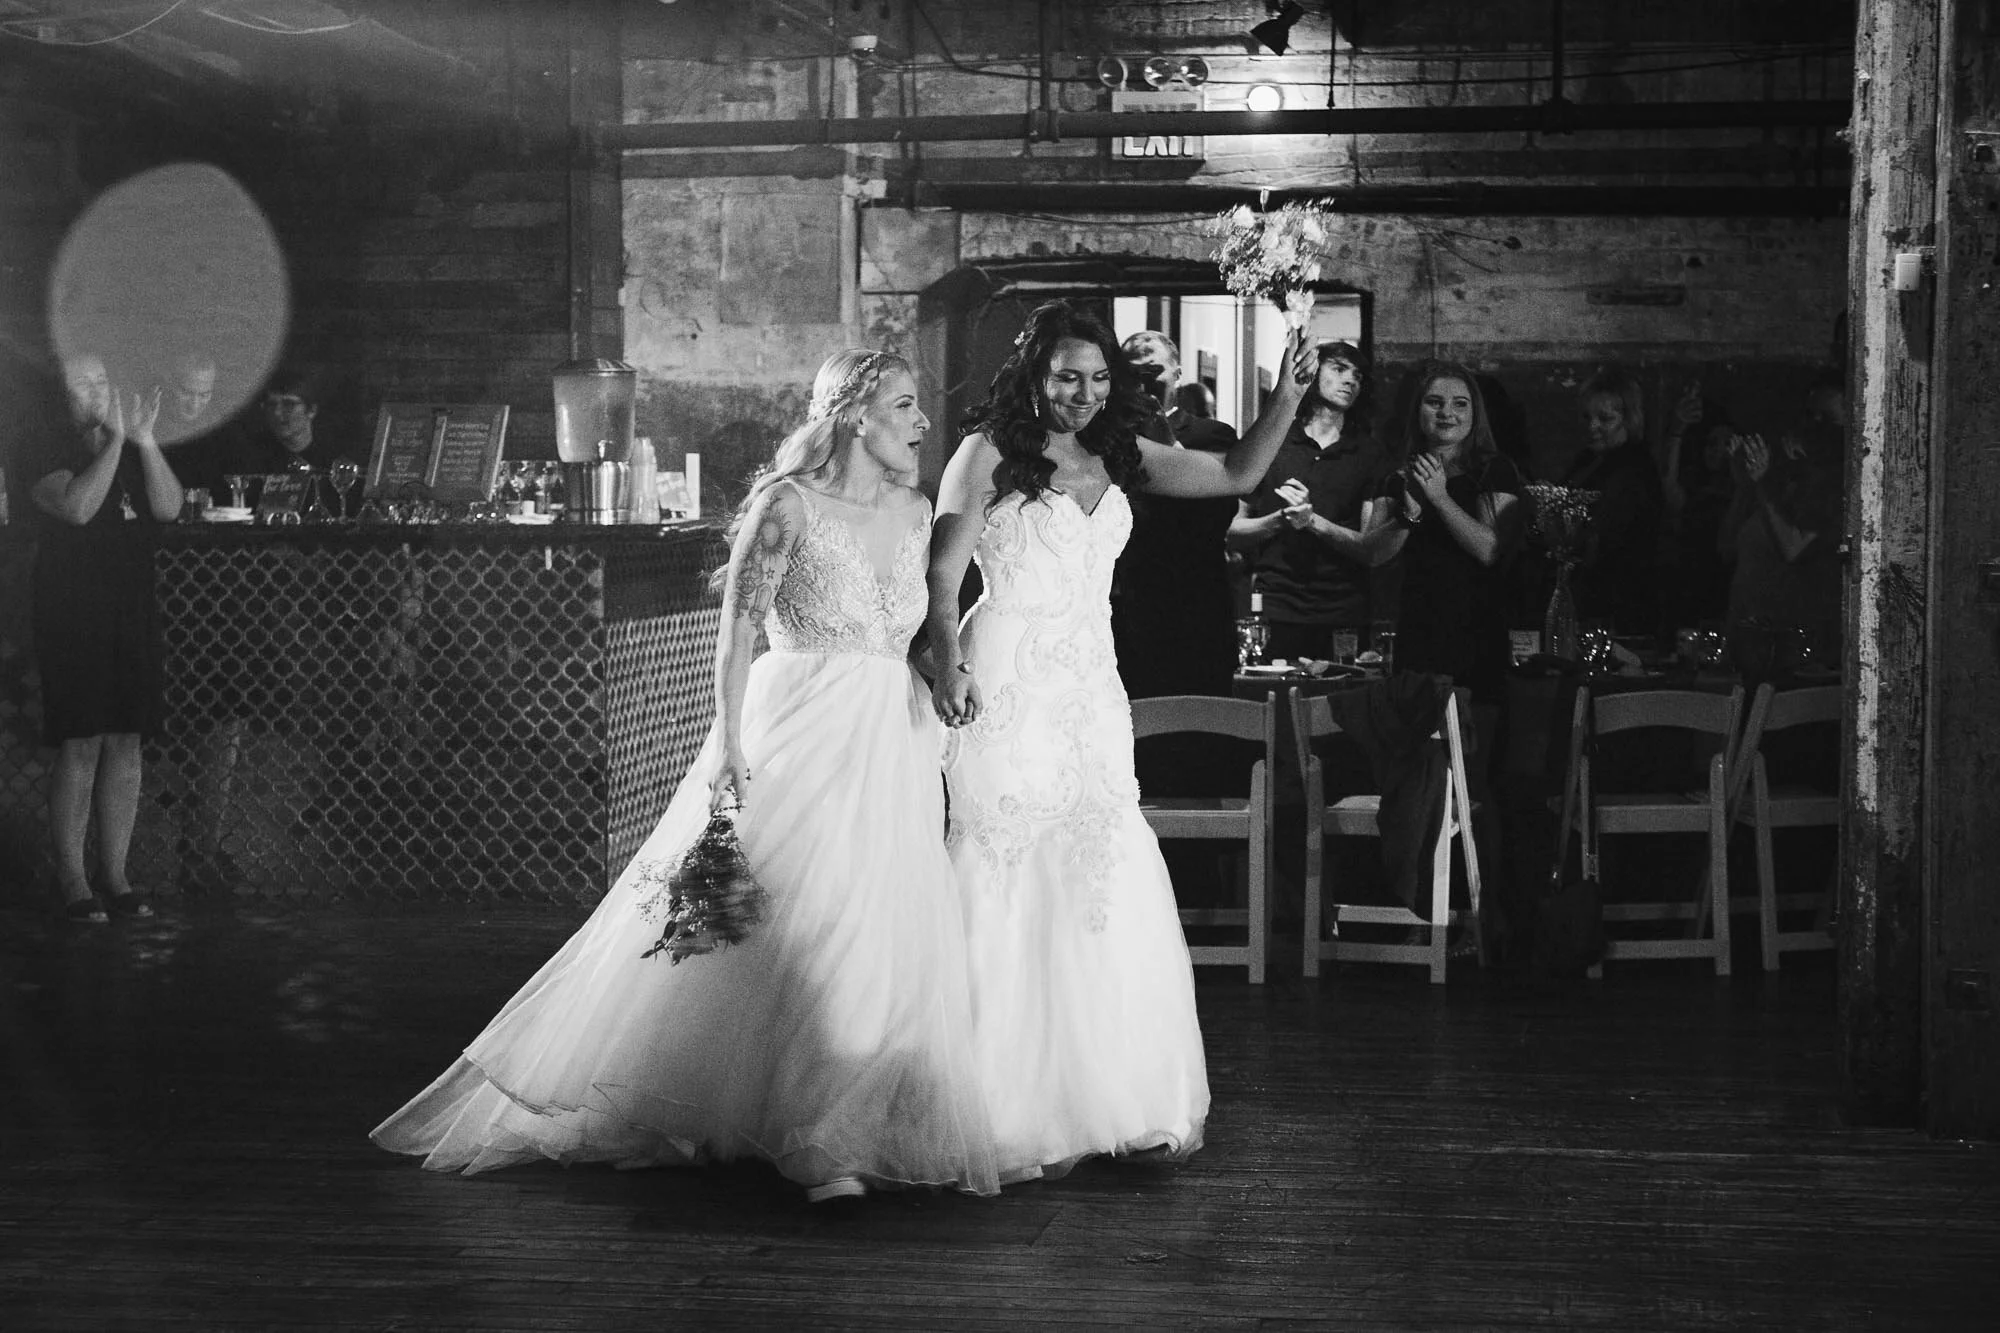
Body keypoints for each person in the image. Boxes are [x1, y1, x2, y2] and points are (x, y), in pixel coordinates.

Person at [372, 349, 1000, 1205]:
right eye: (903, 404)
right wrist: (727, 739)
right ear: (854, 415)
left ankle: (838, 1125)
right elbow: (737, 628)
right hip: (800, 727)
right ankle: (758, 1124)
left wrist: (950, 672)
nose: (922, 421)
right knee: (791, 918)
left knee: (869, 922)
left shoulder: (917, 509)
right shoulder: (787, 504)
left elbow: (911, 631)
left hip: (890, 734)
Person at [924, 300, 1314, 1180]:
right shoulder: (986, 453)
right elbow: (943, 577)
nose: (1084, 394)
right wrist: (949, 665)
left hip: (1093, 690)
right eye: (1068, 377)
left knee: (1099, 864)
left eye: (1099, 379)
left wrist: (1285, 398)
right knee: (1008, 862)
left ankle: (1104, 1096)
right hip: (1008, 681)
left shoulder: (1121, 453)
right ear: (1033, 373)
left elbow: (1237, 471)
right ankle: (1000, 1103)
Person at [24, 352, 185, 922]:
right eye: (83, 384)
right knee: (82, 740)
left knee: (126, 739)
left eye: (102, 381)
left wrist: (145, 439)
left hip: (130, 608)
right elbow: (78, 508)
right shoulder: (40, 446)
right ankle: (72, 879)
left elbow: (168, 506)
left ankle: (115, 874)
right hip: (72, 611)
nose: (96, 392)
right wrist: (115, 443)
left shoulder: (133, 449)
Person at [1361, 362, 1526, 741]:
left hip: (1476, 631)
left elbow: (1488, 549)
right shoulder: (1396, 477)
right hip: (1417, 630)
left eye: (1460, 404)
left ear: (1475, 413)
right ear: (1418, 411)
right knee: (1417, 752)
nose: (1446, 413)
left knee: (1474, 751)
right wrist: (1409, 515)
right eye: (1434, 402)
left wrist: (1439, 497)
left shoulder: (1494, 469)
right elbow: (1373, 554)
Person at [1229, 339, 1391, 663]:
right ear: (1313, 373)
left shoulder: (1370, 454)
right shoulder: (1274, 443)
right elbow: (1231, 531)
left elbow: (1370, 547)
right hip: (1275, 605)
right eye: (1340, 369)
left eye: (1358, 376)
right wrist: (1280, 520)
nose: (1350, 380)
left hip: (1343, 609)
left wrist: (1312, 521)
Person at [1110, 329, 1241, 699]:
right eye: (1134, 373)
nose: (1144, 383)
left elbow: (1217, 514)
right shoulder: (1108, 437)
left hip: (1194, 603)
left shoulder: (1212, 434)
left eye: (1154, 371)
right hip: (1127, 606)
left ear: (1178, 374)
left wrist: (1166, 438)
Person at [1563, 368, 1664, 636]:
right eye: (1587, 417)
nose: (1592, 426)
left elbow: (1604, 537)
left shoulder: (1634, 471)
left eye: (1605, 418)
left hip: (1618, 609)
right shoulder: (1589, 459)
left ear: (1629, 420)